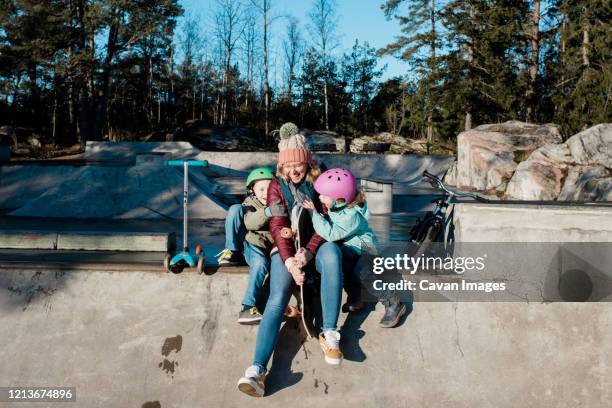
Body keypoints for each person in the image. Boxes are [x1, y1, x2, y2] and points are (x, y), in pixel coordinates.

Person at [237, 123, 344, 398]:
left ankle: (330, 333)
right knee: (277, 297)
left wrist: (308, 252)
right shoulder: (276, 186)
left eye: (299, 164)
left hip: (318, 245)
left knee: (332, 253)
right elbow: (277, 225)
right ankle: (257, 369)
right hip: (284, 252)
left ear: (307, 161)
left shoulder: (320, 181)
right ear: (282, 166)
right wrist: (290, 262)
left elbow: (328, 222)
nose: (295, 170)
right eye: (289, 166)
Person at [304, 168, 407, 327]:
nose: (320, 197)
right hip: (352, 248)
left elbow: (330, 233)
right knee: (341, 265)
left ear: (338, 198)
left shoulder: (352, 215)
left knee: (362, 273)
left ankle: (393, 302)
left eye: (324, 195)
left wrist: (314, 213)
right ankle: (356, 298)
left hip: (366, 250)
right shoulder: (340, 206)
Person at [233, 167, 276, 324]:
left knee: (277, 272)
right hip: (253, 245)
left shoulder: (278, 201)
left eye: (270, 188)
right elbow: (250, 222)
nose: (266, 193)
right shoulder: (249, 204)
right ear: (252, 190)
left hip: (272, 248)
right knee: (260, 264)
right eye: (261, 189)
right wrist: (268, 212)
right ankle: (247, 307)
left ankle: (265, 306)